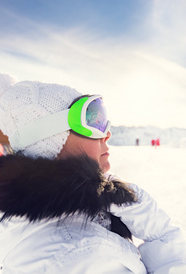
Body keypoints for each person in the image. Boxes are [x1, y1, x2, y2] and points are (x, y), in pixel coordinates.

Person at [0, 74, 186, 274]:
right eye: (93, 120)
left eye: (102, 118)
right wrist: (163, 238)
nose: (107, 132)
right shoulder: (83, 256)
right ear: (48, 140)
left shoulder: (55, 225)